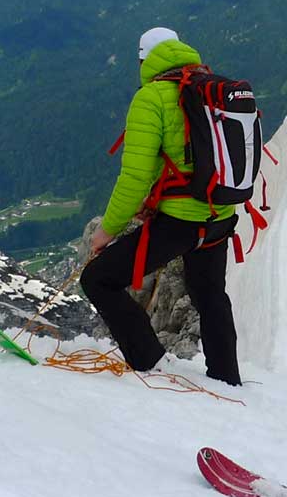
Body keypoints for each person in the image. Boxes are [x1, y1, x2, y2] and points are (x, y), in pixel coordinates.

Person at [79, 26, 242, 386]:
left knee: (98, 279)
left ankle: (150, 364)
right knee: (210, 296)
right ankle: (227, 379)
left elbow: (135, 176)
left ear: (144, 60)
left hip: (181, 223)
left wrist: (107, 230)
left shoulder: (151, 97)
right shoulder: (212, 88)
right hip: (220, 215)